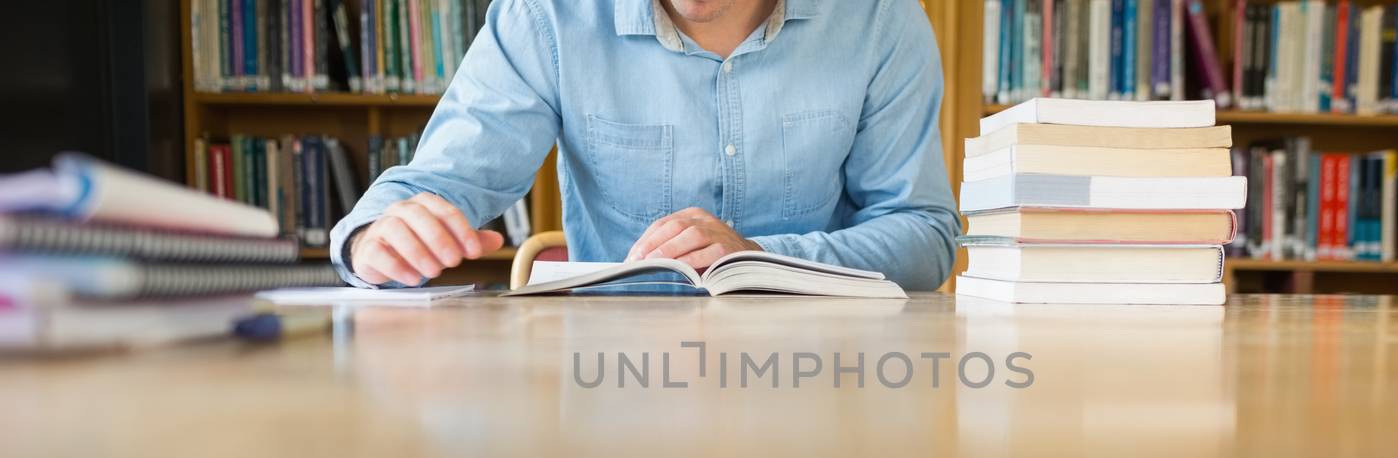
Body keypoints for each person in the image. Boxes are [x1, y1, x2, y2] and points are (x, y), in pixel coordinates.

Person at [331, 0, 958, 291]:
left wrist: (760, 256)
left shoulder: (879, 20)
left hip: (828, 375)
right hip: (617, 381)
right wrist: (372, 240)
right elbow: (435, 185)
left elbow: (924, 235)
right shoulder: (548, 17)